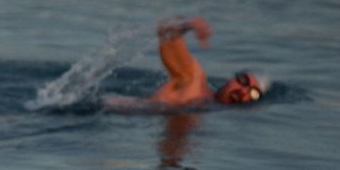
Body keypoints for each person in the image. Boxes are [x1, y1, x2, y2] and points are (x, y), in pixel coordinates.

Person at [105, 17, 267, 109]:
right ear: (233, 79)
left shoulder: (206, 104)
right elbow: (167, 33)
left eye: (253, 93)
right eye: (243, 81)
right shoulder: (194, 80)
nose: (243, 91)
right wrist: (188, 25)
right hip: (106, 112)